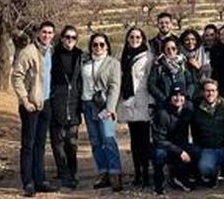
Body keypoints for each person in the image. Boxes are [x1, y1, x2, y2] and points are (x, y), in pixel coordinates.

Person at [12, 21, 58, 197]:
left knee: (40, 144)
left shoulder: (50, 51)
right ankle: (28, 182)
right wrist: (25, 100)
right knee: (28, 145)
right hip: (30, 105)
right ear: (38, 33)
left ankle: (40, 180)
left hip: (45, 103)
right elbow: (17, 77)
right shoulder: (28, 52)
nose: (47, 35)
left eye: (50, 32)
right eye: (44, 32)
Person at [83, 32, 125, 191]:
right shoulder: (85, 62)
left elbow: (115, 86)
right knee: (95, 141)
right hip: (87, 104)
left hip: (104, 106)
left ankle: (115, 172)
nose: (98, 47)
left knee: (108, 139)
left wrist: (110, 108)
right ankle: (103, 171)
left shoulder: (113, 63)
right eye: (95, 44)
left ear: (107, 46)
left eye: (101, 44)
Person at [48, 25, 86, 190]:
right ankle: (63, 174)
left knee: (71, 142)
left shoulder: (81, 56)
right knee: (57, 142)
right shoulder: (53, 56)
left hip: (74, 102)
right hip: (56, 101)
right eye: (67, 37)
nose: (70, 40)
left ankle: (73, 171)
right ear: (62, 38)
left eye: (73, 37)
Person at [119, 27, 155, 189]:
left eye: (138, 37)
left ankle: (146, 174)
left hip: (143, 101)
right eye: (132, 37)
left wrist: (152, 103)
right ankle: (137, 173)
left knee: (144, 140)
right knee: (134, 141)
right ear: (127, 39)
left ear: (143, 39)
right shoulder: (124, 56)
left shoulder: (148, 57)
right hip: (130, 101)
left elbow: (151, 80)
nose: (135, 40)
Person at [151, 86, 196, 194]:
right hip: (165, 146)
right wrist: (179, 152)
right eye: (175, 95)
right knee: (159, 155)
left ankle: (182, 177)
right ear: (170, 97)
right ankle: (159, 182)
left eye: (181, 95)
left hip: (181, 144)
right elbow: (158, 140)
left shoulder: (188, 108)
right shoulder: (162, 113)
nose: (178, 98)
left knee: (196, 151)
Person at [148, 36, 199, 109]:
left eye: (173, 48)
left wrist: (186, 96)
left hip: (183, 102)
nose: (171, 51)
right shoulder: (158, 65)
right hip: (165, 103)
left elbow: (191, 82)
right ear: (164, 50)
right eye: (168, 49)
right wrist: (163, 98)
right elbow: (151, 84)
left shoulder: (183, 64)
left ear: (177, 49)